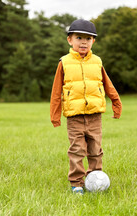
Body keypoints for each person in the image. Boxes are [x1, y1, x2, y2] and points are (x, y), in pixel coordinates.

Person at [50, 19, 122, 194]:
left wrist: (116, 103)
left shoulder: (97, 61)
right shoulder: (64, 62)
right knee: (77, 150)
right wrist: (55, 114)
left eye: (88, 38)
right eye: (79, 37)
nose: (83, 41)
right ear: (70, 40)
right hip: (74, 117)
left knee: (96, 149)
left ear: (93, 41)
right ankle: (76, 183)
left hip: (94, 115)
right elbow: (56, 90)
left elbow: (108, 84)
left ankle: (95, 179)